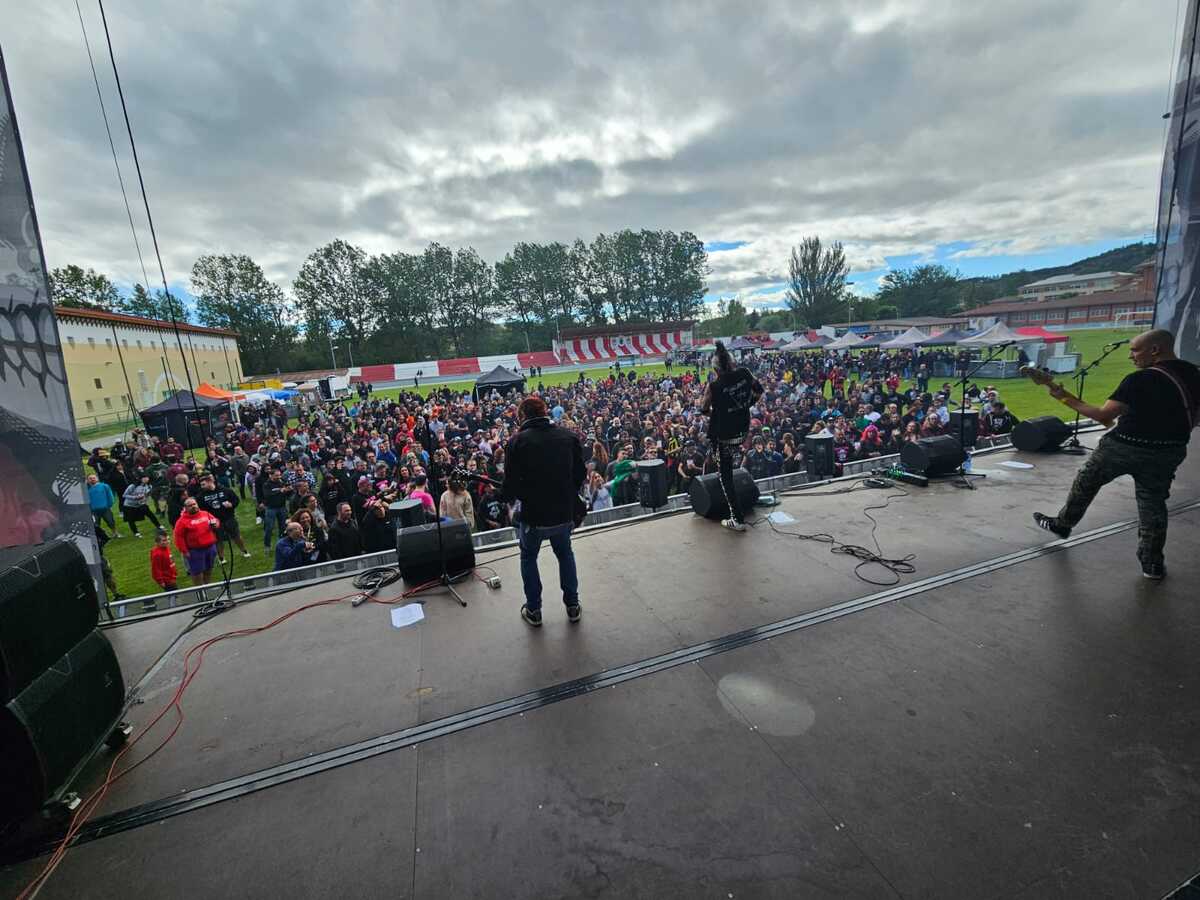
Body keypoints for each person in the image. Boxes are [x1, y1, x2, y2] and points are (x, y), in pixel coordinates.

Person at [1032, 329, 1200, 579]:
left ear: (1155, 350)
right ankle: (1152, 563)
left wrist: (1063, 396)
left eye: (1135, 350)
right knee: (1152, 504)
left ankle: (1062, 524)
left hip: (1123, 447)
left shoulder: (1138, 380)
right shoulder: (1194, 373)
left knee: (1086, 483)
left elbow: (1103, 416)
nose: (1131, 357)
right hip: (1168, 450)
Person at [501, 395, 586, 627]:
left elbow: (510, 484)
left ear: (522, 416)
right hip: (563, 513)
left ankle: (534, 610)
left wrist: (510, 504)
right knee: (565, 553)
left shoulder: (517, 442)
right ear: (545, 411)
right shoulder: (568, 436)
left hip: (534, 516)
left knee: (528, 557)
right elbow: (580, 475)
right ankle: (573, 605)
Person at [701, 340, 764, 532]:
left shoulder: (714, 386)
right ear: (732, 362)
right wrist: (745, 405)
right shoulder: (745, 373)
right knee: (728, 466)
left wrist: (719, 413)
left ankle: (737, 519)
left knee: (725, 476)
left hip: (723, 435)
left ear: (715, 369)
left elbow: (703, 409)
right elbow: (759, 391)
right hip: (742, 430)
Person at [196, 472, 252, 561]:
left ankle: (244, 551)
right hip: (214, 521)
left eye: (203, 484)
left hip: (229, 518)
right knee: (218, 540)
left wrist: (231, 505)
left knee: (236, 536)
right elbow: (200, 509)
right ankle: (221, 558)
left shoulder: (225, 490)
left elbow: (236, 500)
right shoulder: (201, 496)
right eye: (201, 485)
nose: (202, 486)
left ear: (210, 482)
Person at [173, 496, 221, 586]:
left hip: (210, 547)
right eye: (190, 505)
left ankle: (207, 586)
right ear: (185, 508)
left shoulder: (205, 514)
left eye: (194, 504)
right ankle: (200, 591)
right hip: (195, 551)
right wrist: (184, 551)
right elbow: (178, 537)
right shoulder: (182, 521)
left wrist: (216, 524)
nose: (193, 506)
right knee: (197, 573)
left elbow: (216, 520)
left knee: (209, 569)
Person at [150, 528, 178, 592]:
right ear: (157, 542)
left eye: (168, 539)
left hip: (172, 577)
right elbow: (156, 569)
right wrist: (161, 581)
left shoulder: (166, 548)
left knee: (175, 595)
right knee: (174, 596)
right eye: (164, 540)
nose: (167, 542)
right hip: (167, 580)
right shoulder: (157, 554)